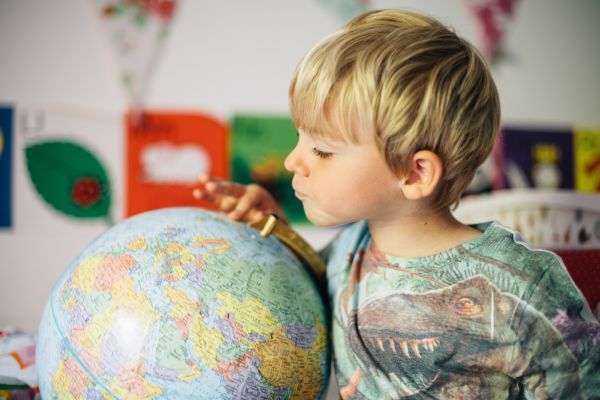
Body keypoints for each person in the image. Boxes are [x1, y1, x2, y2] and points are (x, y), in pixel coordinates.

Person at [193, 9, 600, 399]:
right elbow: (307, 291)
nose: (291, 160)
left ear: (415, 173)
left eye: (321, 150)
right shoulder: (350, 248)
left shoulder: (527, 283)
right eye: (300, 137)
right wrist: (273, 224)